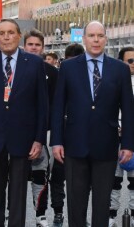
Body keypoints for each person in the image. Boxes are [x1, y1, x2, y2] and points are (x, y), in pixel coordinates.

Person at [51, 21, 134, 227]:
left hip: (106, 146)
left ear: (106, 39)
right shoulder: (68, 67)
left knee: (102, 203)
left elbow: (129, 110)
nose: (96, 40)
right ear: (84, 38)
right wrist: (56, 141)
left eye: (100, 36)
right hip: (74, 145)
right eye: (91, 36)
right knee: (76, 202)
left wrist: (128, 144)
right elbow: (58, 107)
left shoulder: (121, 69)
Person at [0, 18, 48, 227]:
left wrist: (39, 139)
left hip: (23, 139)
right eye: (2, 33)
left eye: (10, 33)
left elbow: (42, 105)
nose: (6, 37)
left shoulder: (34, 62)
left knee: (18, 193)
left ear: (18, 36)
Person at [23, 29, 59, 227]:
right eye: (30, 44)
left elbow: (56, 104)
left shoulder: (52, 72)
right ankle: (13, 213)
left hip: (43, 133)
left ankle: (41, 215)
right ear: (24, 46)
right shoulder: (14, 69)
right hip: (18, 132)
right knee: (15, 177)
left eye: (37, 45)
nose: (34, 48)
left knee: (41, 175)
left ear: (42, 48)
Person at [109, 46, 134, 225]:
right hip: (114, 138)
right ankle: (110, 217)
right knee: (113, 182)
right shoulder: (113, 80)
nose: (133, 64)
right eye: (130, 61)